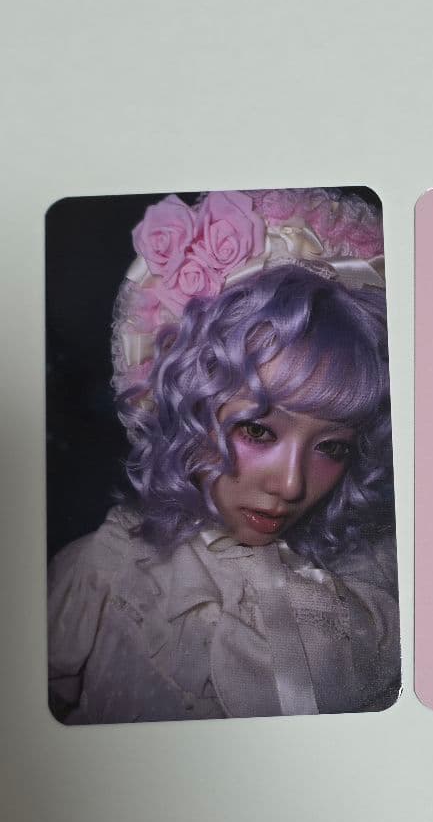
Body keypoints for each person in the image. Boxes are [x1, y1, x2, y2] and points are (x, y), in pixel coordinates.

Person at [47, 188, 400, 724]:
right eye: (257, 430)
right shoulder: (105, 574)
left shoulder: (380, 593)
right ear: (185, 410)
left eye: (331, 447)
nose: (290, 485)